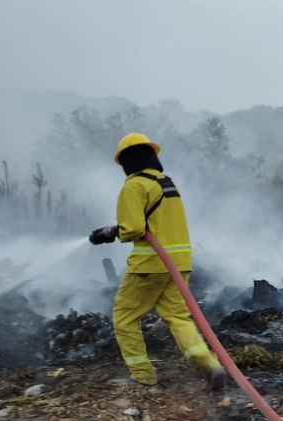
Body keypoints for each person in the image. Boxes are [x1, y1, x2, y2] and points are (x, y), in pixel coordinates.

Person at [89, 132, 226, 391]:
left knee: (124, 316)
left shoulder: (134, 186)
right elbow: (155, 223)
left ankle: (142, 374)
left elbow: (133, 229)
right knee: (178, 316)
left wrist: (112, 233)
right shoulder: (167, 183)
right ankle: (209, 365)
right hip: (180, 263)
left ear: (126, 161)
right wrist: (117, 229)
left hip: (149, 265)